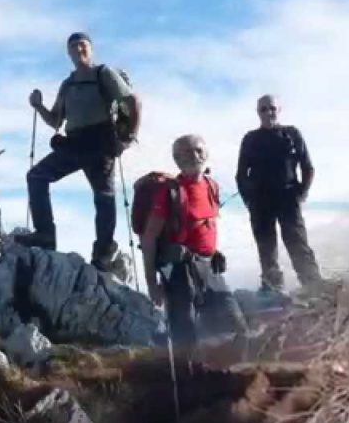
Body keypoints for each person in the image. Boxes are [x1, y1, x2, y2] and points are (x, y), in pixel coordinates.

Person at [16, 31, 139, 270]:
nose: (78, 50)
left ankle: (102, 252)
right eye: (73, 47)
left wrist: (129, 135)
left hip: (100, 142)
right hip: (75, 142)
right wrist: (38, 105)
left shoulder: (103, 73)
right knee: (37, 176)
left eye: (82, 45)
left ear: (91, 49)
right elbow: (54, 121)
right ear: (68, 53)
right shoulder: (68, 84)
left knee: (104, 197)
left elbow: (133, 102)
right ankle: (45, 234)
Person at [140, 135, 247, 349]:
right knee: (184, 334)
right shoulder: (169, 192)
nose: (195, 156)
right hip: (180, 271)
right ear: (177, 160)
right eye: (187, 153)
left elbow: (205, 224)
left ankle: (225, 377)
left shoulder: (212, 186)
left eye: (199, 150)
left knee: (236, 328)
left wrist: (214, 251)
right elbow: (149, 237)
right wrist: (152, 283)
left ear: (207, 154)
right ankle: (187, 377)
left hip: (209, 266)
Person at [236, 95, 323, 294]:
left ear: (279, 110)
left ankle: (314, 286)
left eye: (272, 108)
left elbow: (307, 167)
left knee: (297, 243)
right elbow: (241, 175)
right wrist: (249, 200)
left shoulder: (291, 134)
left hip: (288, 197)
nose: (268, 113)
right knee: (266, 249)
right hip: (260, 201)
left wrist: (302, 193)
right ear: (258, 113)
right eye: (263, 109)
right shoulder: (250, 139)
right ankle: (273, 291)